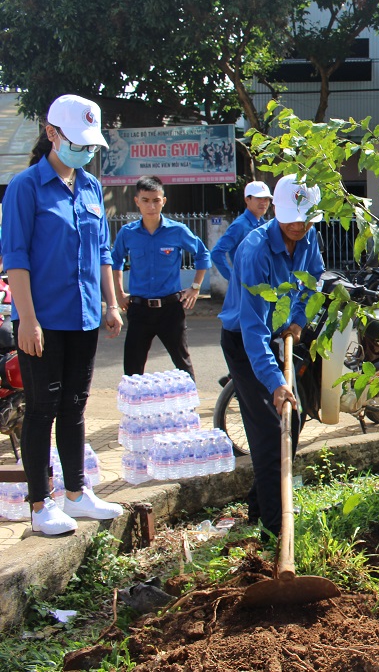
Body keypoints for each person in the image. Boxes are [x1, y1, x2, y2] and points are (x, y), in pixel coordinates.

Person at [2, 94, 124, 535]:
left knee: (75, 406)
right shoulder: (25, 187)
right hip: (43, 319)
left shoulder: (91, 188)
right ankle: (40, 505)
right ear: (52, 134)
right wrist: (28, 320)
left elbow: (103, 253)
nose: (86, 153)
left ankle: (76, 493)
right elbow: (16, 258)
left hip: (85, 315)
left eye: (91, 146)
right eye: (78, 143)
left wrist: (111, 303)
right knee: (42, 409)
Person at [218, 174, 324, 538]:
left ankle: (259, 503)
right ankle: (275, 529)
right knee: (268, 429)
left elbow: (314, 282)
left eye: (306, 218)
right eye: (292, 217)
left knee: (291, 422)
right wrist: (276, 382)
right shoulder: (254, 251)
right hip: (244, 342)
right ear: (276, 210)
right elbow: (252, 329)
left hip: (280, 334)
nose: (299, 225)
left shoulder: (309, 235)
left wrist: (297, 321)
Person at [112, 176, 210, 379]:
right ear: (137, 201)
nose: (151, 206)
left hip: (170, 309)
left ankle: (190, 407)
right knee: (132, 366)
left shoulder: (177, 231)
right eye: (146, 200)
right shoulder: (128, 233)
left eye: (156, 200)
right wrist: (119, 293)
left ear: (163, 201)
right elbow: (116, 262)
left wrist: (195, 286)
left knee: (183, 363)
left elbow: (202, 254)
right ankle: (134, 410)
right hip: (139, 310)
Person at [211, 180, 273, 282]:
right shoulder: (240, 225)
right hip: (247, 286)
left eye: (266, 199)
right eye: (258, 198)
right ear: (247, 199)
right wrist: (234, 279)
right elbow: (216, 253)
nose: (264, 202)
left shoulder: (263, 224)